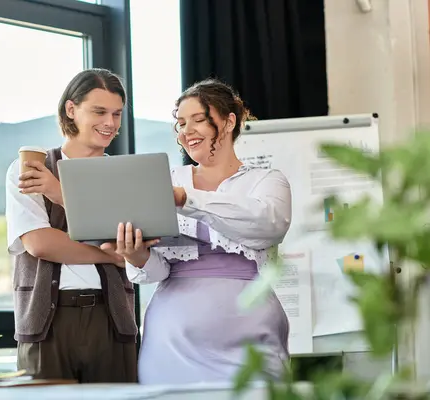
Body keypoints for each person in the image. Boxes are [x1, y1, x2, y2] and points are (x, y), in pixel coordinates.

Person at [104, 78, 292, 384]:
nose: (186, 131)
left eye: (198, 120)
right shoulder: (165, 178)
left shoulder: (266, 180)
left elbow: (266, 226)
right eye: (180, 123)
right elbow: (157, 271)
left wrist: (186, 198)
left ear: (229, 121)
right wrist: (136, 254)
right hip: (172, 339)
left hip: (253, 334)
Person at [5, 68, 138, 383]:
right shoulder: (28, 167)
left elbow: (132, 242)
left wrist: (55, 191)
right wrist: (109, 254)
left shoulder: (125, 175)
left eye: (117, 114)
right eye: (99, 111)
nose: (110, 123)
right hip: (46, 322)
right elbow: (39, 243)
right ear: (71, 109)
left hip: (113, 317)